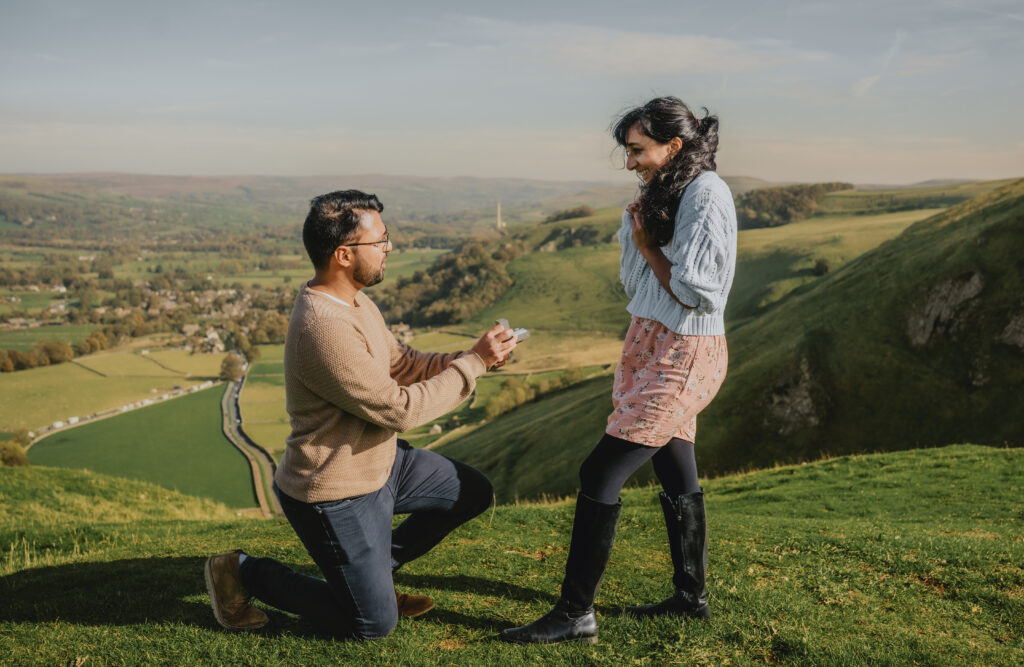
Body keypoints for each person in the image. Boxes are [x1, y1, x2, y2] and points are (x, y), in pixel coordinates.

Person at [205, 189, 517, 640]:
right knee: (372, 623)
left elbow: (403, 364)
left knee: (472, 491)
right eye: (381, 241)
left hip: (384, 464)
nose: (389, 248)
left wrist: (468, 355)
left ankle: (364, 574)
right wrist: (475, 365)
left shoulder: (355, 301)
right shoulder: (323, 328)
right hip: (335, 488)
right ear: (344, 254)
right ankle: (241, 572)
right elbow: (399, 409)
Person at [500, 97, 737, 645]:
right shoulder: (663, 191)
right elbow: (639, 284)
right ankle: (690, 599)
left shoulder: (706, 193)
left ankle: (575, 613)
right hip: (652, 341)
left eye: (637, 150)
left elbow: (700, 293)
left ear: (672, 146)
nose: (630, 162)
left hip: (684, 349)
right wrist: (643, 244)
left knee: (600, 473)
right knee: (676, 464)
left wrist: (649, 247)